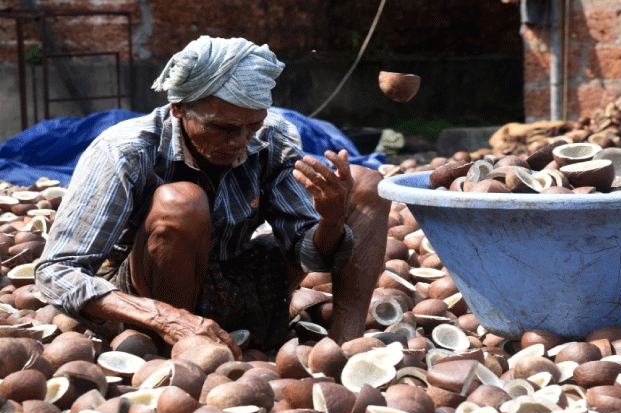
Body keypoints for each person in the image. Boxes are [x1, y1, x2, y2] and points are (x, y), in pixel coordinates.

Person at [35, 36, 390, 358]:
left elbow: (312, 257)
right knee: (181, 202)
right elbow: (56, 272)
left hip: (239, 280)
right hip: (150, 291)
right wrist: (165, 318)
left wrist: (330, 220)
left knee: (366, 184)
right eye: (222, 128)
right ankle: (176, 353)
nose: (240, 142)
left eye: (252, 125)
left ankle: (346, 345)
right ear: (178, 107)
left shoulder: (271, 136)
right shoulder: (123, 151)